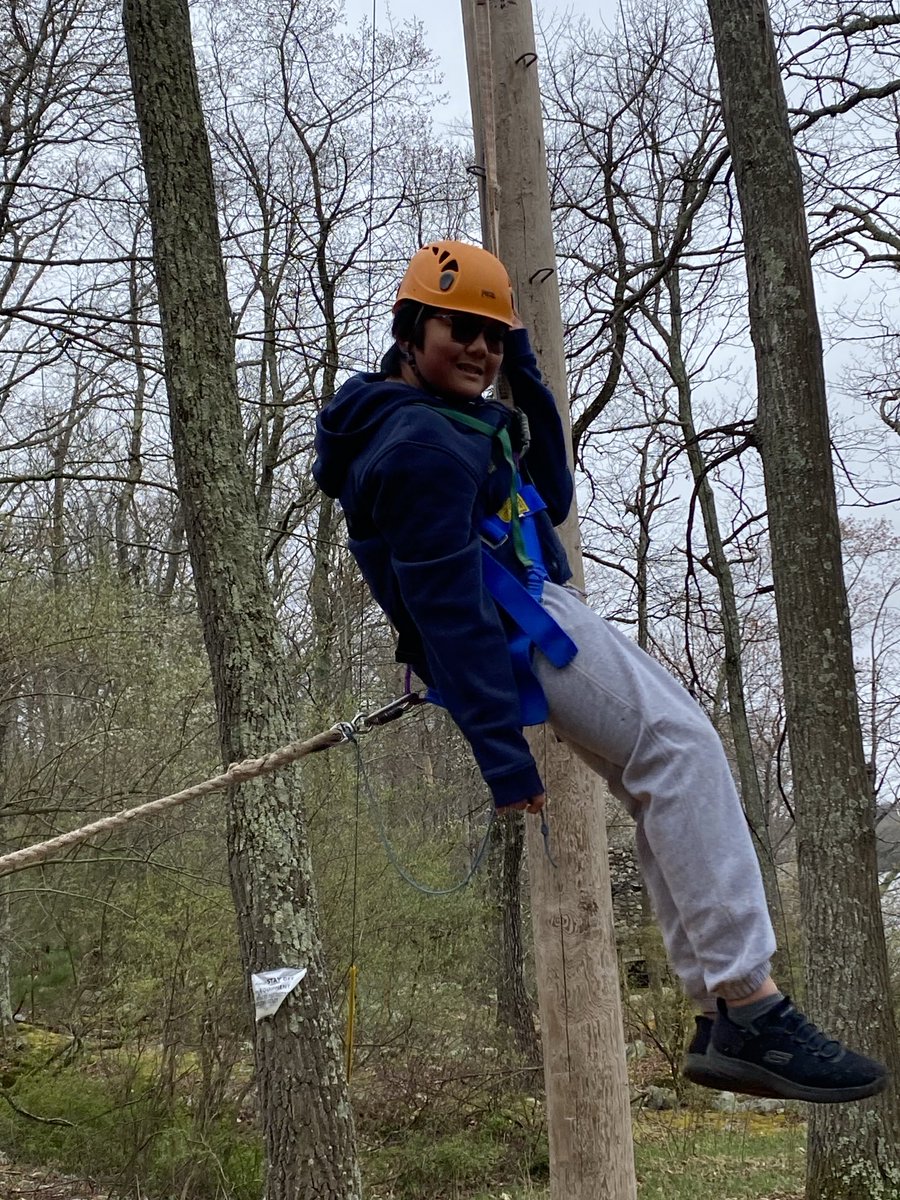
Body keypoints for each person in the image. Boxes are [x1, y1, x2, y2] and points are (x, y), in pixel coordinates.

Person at [313, 239, 887, 1104]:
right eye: (458, 329)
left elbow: (550, 488)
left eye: (492, 337)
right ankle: (750, 1008)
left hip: (531, 608)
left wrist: (528, 376)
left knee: (662, 770)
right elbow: (443, 608)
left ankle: (724, 1010)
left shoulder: (446, 418)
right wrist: (503, 761)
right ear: (408, 329)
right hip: (515, 626)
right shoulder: (418, 445)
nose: (478, 349)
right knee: (682, 754)